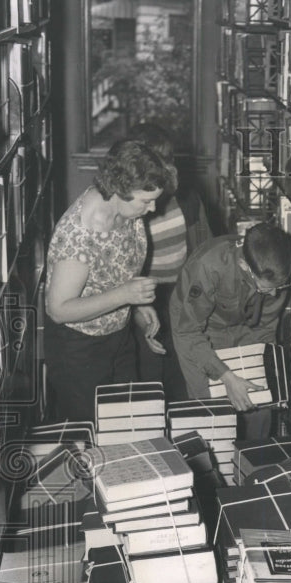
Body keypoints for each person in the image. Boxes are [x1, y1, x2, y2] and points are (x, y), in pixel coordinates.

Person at [43, 139, 176, 423]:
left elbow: (116, 273)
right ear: (119, 190)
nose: (152, 209)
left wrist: (138, 306)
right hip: (79, 351)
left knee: (125, 426)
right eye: (146, 200)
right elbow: (58, 310)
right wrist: (124, 296)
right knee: (90, 436)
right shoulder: (79, 234)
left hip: (118, 339)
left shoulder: (127, 211)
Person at [169, 222, 291, 439]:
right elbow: (189, 332)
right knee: (211, 411)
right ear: (245, 266)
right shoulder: (207, 266)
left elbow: (264, 327)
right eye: (267, 289)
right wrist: (226, 376)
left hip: (243, 326)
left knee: (258, 400)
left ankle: (253, 462)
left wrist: (266, 372)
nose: (275, 295)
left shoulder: (276, 275)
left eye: (279, 288)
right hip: (197, 327)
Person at [126, 122, 211, 401]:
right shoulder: (134, 205)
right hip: (144, 300)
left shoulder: (186, 198)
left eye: (168, 159)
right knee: (150, 376)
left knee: (183, 374)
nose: (164, 168)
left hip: (182, 295)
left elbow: (204, 249)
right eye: (155, 160)